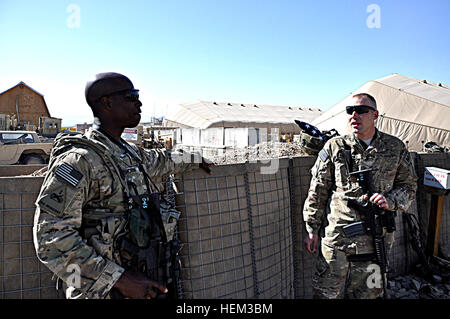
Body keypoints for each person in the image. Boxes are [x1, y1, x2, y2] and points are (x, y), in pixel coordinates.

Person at [33, 72, 213, 299]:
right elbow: (50, 238)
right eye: (131, 96)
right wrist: (118, 279)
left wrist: (194, 158)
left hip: (141, 283)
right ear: (107, 103)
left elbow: (161, 160)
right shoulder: (79, 160)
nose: (139, 103)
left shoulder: (127, 153)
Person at [302, 93, 417, 299]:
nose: (355, 115)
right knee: (325, 294)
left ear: (375, 115)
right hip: (338, 237)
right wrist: (311, 228)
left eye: (361, 111)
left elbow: (409, 187)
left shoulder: (395, 147)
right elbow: (317, 190)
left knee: (368, 295)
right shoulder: (335, 147)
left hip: (376, 239)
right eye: (350, 111)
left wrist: (389, 200)